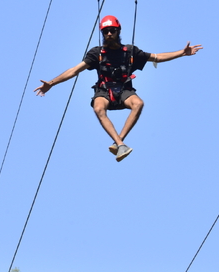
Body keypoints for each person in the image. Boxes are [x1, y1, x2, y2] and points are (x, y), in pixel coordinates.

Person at [34, 15, 203, 162]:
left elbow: (156, 57)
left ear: (118, 31)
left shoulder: (130, 52)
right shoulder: (96, 53)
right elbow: (74, 70)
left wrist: (182, 52)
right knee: (98, 107)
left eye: (112, 30)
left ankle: (119, 141)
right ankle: (121, 145)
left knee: (139, 103)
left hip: (123, 90)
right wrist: (52, 83)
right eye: (105, 32)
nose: (109, 34)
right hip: (104, 90)